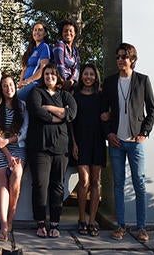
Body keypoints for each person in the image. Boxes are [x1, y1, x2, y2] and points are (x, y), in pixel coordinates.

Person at [101, 43, 154, 243]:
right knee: (118, 185)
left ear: (132, 59)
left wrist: (144, 133)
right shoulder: (109, 82)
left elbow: (152, 110)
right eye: (118, 56)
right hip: (116, 142)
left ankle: (141, 228)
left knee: (139, 184)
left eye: (124, 56)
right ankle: (121, 226)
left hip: (135, 142)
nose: (120, 59)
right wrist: (108, 134)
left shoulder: (142, 80)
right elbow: (102, 112)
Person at [26, 63, 77, 238]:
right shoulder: (36, 93)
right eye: (46, 74)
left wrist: (50, 108)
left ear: (58, 77)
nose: (49, 77)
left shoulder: (65, 95)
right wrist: (57, 117)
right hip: (39, 148)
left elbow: (72, 114)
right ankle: (41, 223)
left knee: (57, 186)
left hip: (60, 149)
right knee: (40, 184)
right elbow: (36, 111)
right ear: (43, 76)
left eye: (53, 74)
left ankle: (55, 223)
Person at [0, 73, 28, 242]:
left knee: (17, 175)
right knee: (2, 181)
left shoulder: (23, 106)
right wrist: (8, 156)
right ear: (1, 89)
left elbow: (24, 132)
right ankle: (4, 224)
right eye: (5, 86)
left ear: (15, 87)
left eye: (11, 85)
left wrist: (10, 142)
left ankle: (11, 219)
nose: (8, 88)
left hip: (17, 146)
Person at [69, 64, 106, 237]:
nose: (88, 77)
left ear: (95, 76)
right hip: (81, 142)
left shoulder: (101, 96)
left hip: (97, 142)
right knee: (84, 180)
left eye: (92, 74)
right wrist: (74, 144)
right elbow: (70, 122)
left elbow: (108, 113)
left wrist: (109, 115)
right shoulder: (74, 95)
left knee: (96, 181)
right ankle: (81, 219)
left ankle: (92, 221)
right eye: (85, 74)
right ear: (81, 76)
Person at [17, 22, 51, 101]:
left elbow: (43, 68)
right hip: (25, 84)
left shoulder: (44, 47)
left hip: (35, 83)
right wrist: (21, 82)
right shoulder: (31, 49)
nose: (37, 32)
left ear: (45, 33)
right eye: (35, 30)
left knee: (15, 98)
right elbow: (24, 68)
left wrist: (28, 81)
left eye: (40, 30)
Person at [52, 18, 80, 91]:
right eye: (65, 31)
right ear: (62, 33)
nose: (68, 33)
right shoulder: (60, 45)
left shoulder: (75, 51)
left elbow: (76, 69)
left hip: (70, 82)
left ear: (75, 34)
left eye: (71, 31)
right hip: (59, 80)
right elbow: (59, 65)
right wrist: (64, 82)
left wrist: (72, 80)